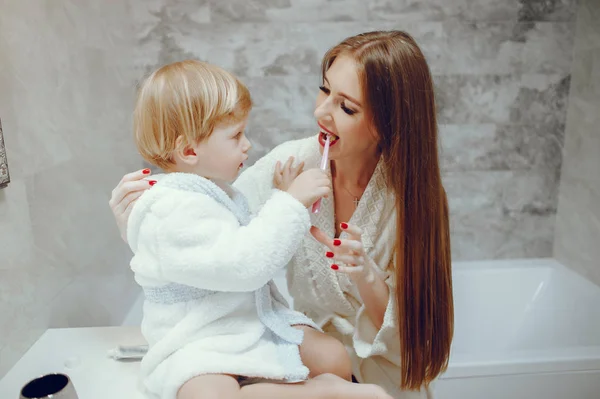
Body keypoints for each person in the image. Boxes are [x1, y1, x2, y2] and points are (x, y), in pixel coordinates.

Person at [110, 30, 453, 398]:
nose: (321, 112)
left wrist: (367, 275)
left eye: (346, 107)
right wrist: (133, 227)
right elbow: (213, 235)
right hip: (293, 356)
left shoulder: (410, 201)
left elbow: (417, 338)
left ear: (387, 123)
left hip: (373, 368)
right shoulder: (295, 162)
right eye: (324, 90)